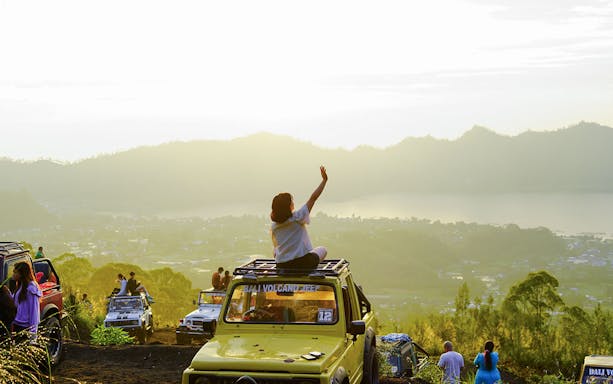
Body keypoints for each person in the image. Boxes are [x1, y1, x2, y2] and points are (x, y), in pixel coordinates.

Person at [271, 166, 328, 270]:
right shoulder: (297, 217)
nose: (293, 203)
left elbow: (276, 249)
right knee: (323, 249)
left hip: (282, 265)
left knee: (276, 250)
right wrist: (324, 180)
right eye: (291, 201)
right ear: (288, 206)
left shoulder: (274, 226)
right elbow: (313, 198)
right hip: (303, 263)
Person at [11, 262, 42, 336]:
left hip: (25, 327)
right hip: (17, 324)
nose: (13, 275)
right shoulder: (20, 286)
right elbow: (13, 301)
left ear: (22, 274)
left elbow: (34, 312)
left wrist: (33, 333)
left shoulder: (31, 289)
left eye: (15, 272)